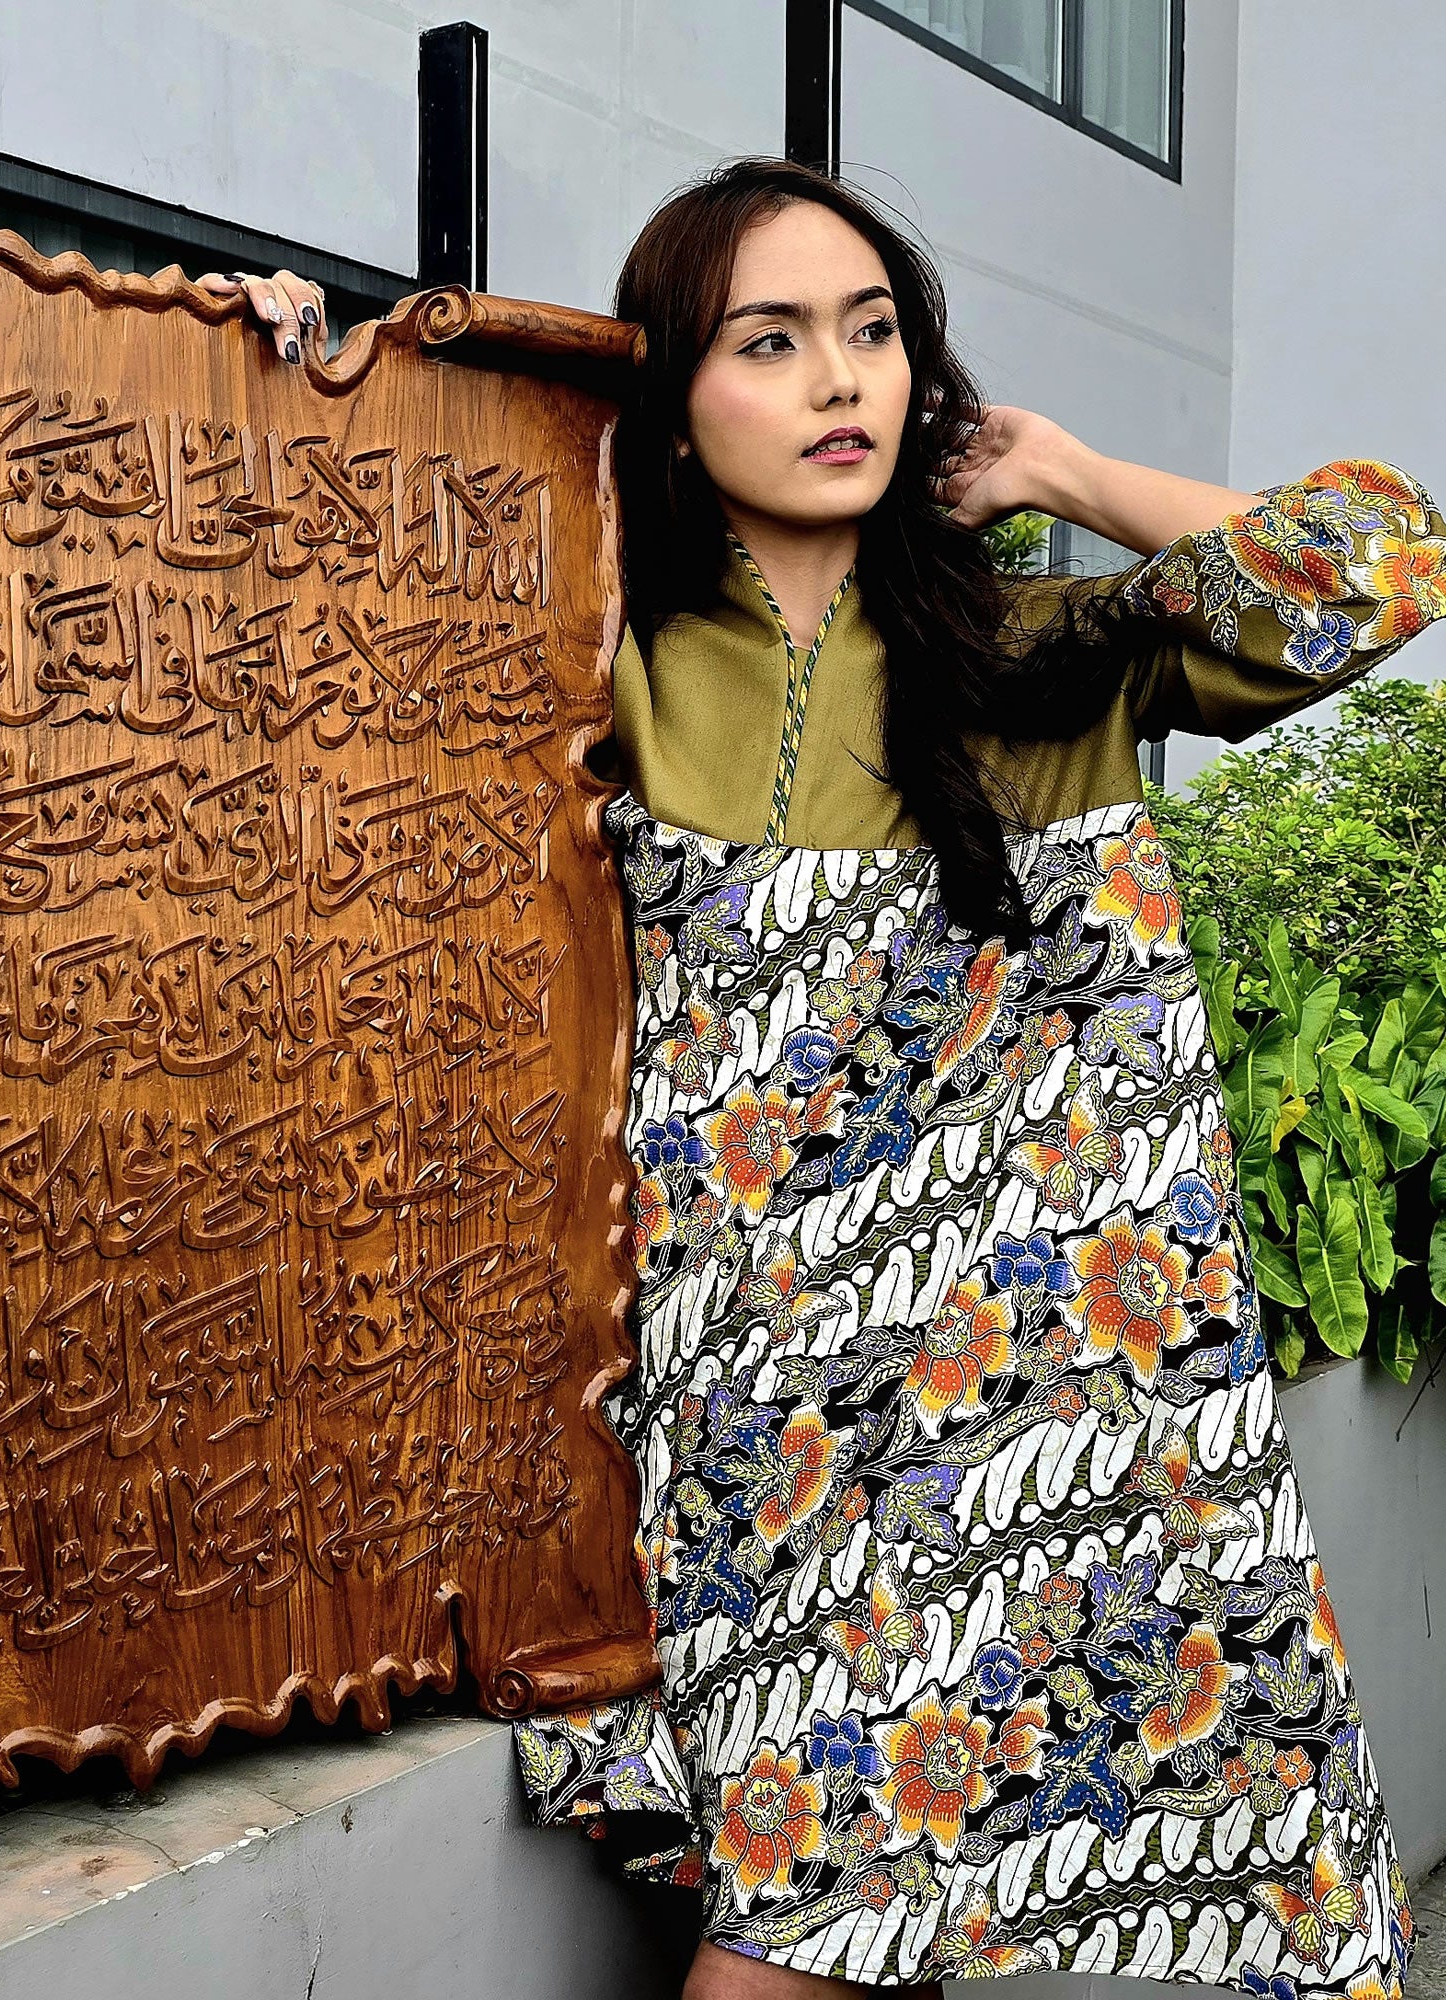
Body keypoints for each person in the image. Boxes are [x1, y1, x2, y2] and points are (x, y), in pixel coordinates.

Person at [204, 157, 1434, 2000]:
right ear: (675, 398)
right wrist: (268, 385)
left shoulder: (1038, 657)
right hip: (743, 1426)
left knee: (816, 1936)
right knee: (834, 1923)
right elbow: (284, 668)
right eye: (770, 342)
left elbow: (1385, 564)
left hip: (1023, 1420)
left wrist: (1065, 473)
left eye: (870, 333)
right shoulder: (597, 654)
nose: (839, 379)